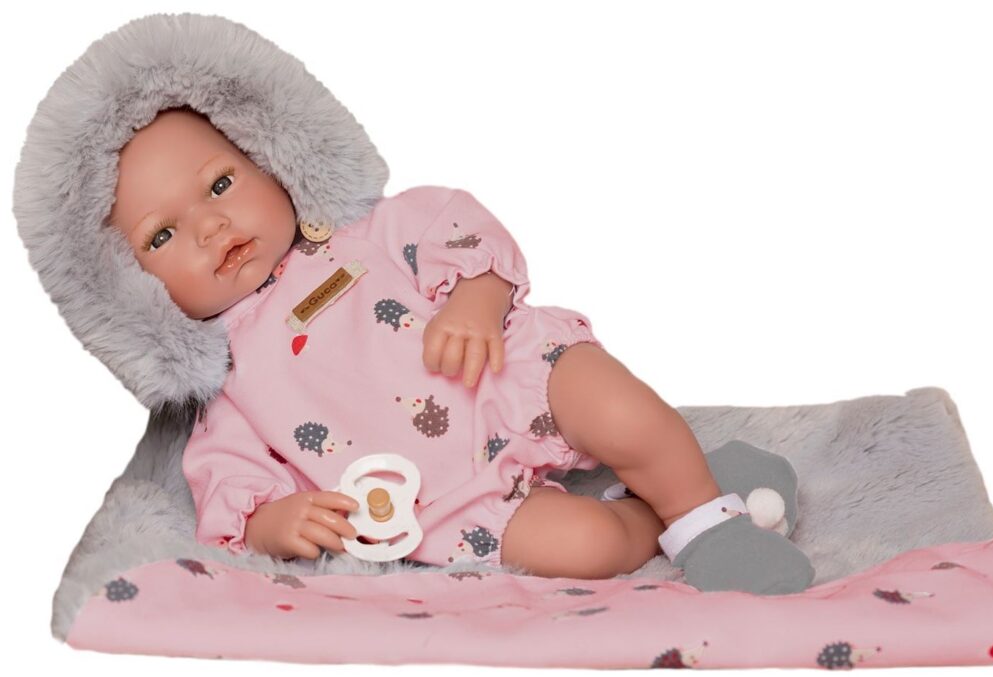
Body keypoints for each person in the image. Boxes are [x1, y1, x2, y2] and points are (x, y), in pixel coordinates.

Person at [106, 106, 814, 594]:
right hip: (440, 497)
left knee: (622, 411)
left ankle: (702, 516)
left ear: (273, 161)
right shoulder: (223, 378)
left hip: (509, 374)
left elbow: (460, 232)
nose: (209, 226)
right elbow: (233, 483)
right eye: (162, 235)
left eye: (220, 184)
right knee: (586, 547)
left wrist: (476, 300)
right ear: (134, 292)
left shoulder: (365, 233)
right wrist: (273, 521)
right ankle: (679, 509)